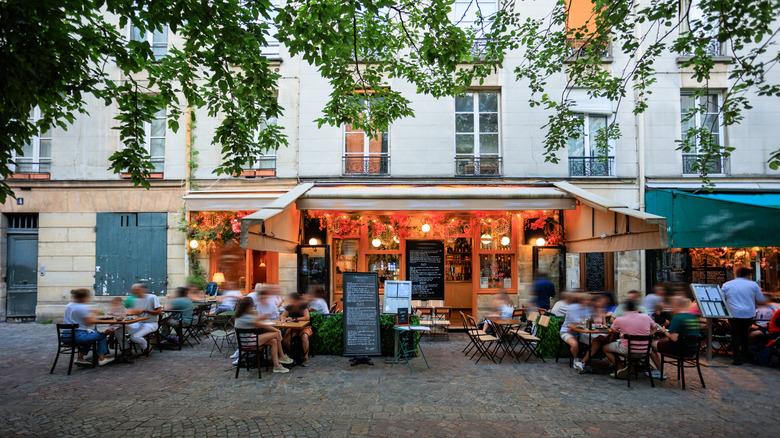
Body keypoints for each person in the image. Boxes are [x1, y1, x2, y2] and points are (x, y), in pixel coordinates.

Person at [233, 297, 293, 373]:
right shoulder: (247, 317)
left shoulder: (240, 315)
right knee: (275, 334)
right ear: (249, 307)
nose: (253, 308)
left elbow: (257, 320)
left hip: (244, 342)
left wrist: (253, 312)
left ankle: (277, 366)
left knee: (273, 341)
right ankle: (282, 356)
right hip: (249, 342)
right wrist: (277, 330)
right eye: (252, 306)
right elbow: (263, 325)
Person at [604, 299, 657, 379]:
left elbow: (612, 330)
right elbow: (655, 327)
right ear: (637, 308)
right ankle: (629, 366)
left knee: (605, 348)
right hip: (645, 349)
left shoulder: (620, 319)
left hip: (627, 349)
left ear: (625, 308)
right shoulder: (646, 317)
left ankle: (620, 367)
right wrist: (649, 335)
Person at [722, 267, 765, 365]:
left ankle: (736, 358)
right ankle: (745, 356)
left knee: (736, 335)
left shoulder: (727, 285)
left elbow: (721, 298)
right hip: (748, 313)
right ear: (748, 275)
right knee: (745, 334)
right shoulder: (753, 285)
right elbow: (760, 299)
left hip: (734, 313)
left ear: (737, 274)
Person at [63, 288, 114, 366]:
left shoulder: (69, 305)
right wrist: (95, 313)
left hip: (65, 336)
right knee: (102, 336)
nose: (88, 298)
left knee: (91, 333)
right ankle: (102, 359)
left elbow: (76, 315)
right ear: (83, 297)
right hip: (77, 336)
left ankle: (80, 358)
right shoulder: (82, 307)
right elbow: (90, 323)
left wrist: (89, 312)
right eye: (88, 297)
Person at [651, 297, 701, 373]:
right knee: (661, 341)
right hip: (692, 350)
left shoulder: (677, 319)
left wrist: (664, 331)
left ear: (678, 305)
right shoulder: (694, 318)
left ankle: (660, 371)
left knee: (650, 345)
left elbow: (674, 338)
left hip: (679, 349)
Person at [126, 283, 162, 357]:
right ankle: (126, 350)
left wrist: (145, 311)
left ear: (142, 290)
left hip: (151, 323)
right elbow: (134, 313)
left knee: (135, 337)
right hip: (138, 322)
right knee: (119, 330)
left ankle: (148, 347)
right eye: (133, 291)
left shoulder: (152, 297)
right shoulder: (135, 299)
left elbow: (159, 312)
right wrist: (130, 313)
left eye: (136, 291)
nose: (134, 293)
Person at [559, 293, 592, 373]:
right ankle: (576, 359)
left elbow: (588, 320)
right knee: (574, 344)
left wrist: (583, 321)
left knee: (595, 342)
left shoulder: (589, 308)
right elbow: (576, 321)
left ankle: (584, 361)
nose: (590, 302)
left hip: (581, 332)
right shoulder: (572, 308)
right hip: (566, 331)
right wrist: (583, 320)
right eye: (588, 300)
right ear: (582, 300)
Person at [281, 293, 312, 366]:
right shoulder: (289, 307)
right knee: (286, 339)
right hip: (293, 328)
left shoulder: (303, 306)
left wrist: (295, 319)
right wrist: (285, 318)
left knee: (304, 337)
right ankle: (293, 355)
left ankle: (305, 358)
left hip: (304, 327)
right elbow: (282, 316)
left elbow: (307, 317)